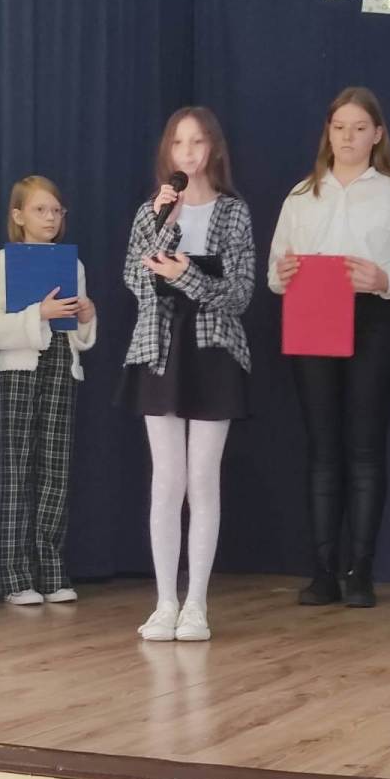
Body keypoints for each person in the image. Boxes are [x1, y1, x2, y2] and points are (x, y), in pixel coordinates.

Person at [268, 86, 390, 608]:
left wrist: (385, 279)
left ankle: (360, 571)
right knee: (323, 449)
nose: (348, 137)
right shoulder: (301, 196)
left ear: (377, 135)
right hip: (313, 315)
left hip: (374, 321)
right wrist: (283, 274)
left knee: (364, 449)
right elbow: (275, 273)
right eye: (339, 127)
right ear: (328, 132)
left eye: (359, 128)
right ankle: (322, 572)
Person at [117, 107, 254, 642]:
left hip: (214, 352)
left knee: (202, 478)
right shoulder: (151, 210)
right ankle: (164, 601)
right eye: (179, 143)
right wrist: (163, 225)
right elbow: (134, 280)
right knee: (166, 480)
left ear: (213, 148)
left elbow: (239, 294)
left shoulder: (234, 213)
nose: (188, 153)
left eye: (197, 142)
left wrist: (187, 275)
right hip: (159, 351)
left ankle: (196, 602)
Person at [0, 176, 96, 605]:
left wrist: (85, 317)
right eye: (40, 210)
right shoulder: (4, 262)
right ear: (19, 216)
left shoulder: (72, 264)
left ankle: (51, 570)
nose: (50, 218)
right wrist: (37, 314)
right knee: (15, 471)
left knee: (55, 470)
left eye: (56, 211)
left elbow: (78, 328)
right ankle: (13, 574)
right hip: (17, 370)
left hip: (61, 366)